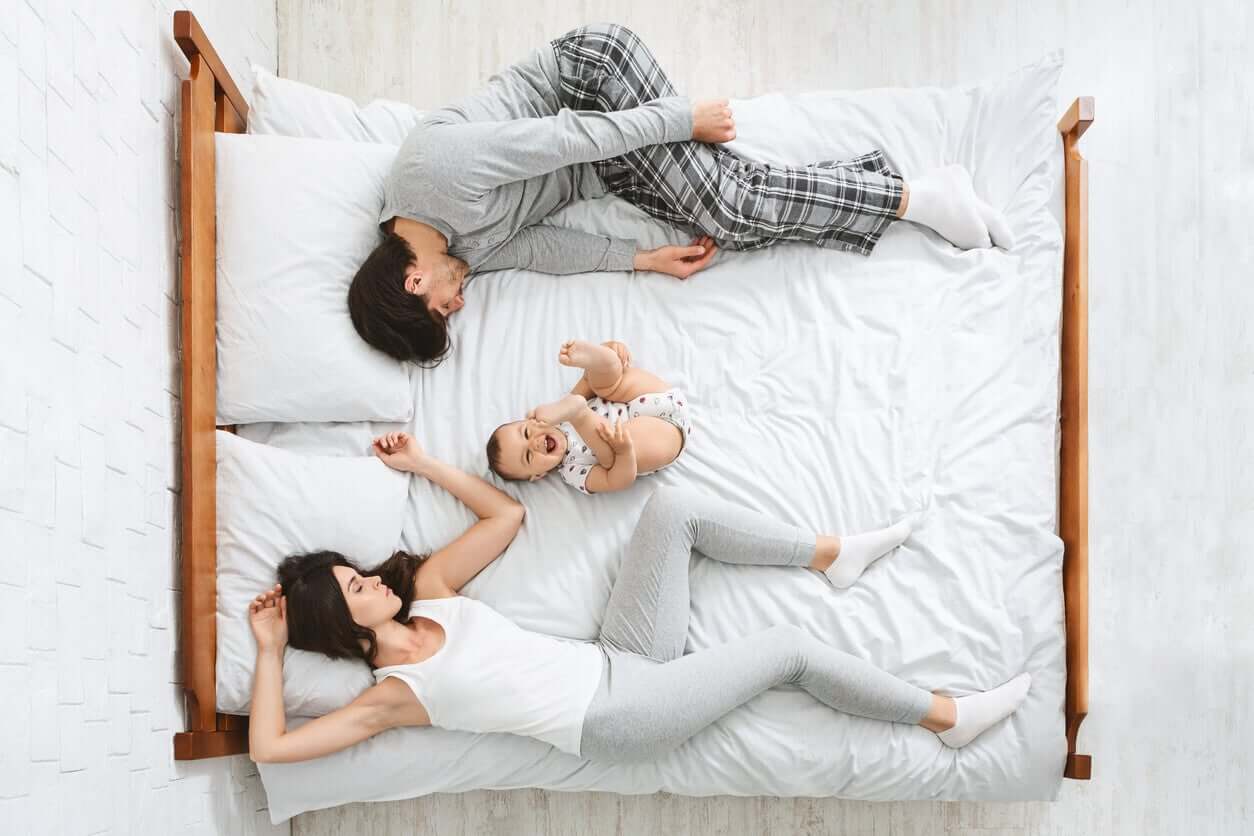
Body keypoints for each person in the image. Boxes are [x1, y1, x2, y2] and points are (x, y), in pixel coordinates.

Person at [244, 432, 1031, 764]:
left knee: (672, 510)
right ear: (346, 628)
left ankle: (831, 556)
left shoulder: (432, 595)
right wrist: (273, 653)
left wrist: (421, 464)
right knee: (788, 651)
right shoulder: (393, 695)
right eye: (357, 588)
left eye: (360, 573)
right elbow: (272, 750)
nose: (374, 581)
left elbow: (508, 513)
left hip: (617, 657)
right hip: (619, 717)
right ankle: (946, 717)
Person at [347, 24, 1014, 365]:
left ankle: (916, 198)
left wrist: (680, 118)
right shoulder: (458, 254)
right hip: (603, 164)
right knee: (735, 223)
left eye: (441, 310)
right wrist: (643, 261)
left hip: (592, 84)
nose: (457, 304)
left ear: (411, 282)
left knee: (729, 202)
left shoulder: (430, 173)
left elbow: (565, 138)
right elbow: (543, 247)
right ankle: (904, 191)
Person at [486, 339, 692, 494]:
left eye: (527, 432)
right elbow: (617, 481)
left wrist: (608, 353)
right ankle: (584, 416)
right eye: (529, 456)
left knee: (604, 385)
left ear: (533, 421)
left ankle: (606, 359)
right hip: (662, 438)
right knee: (611, 455)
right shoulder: (573, 470)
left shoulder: (558, 413)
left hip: (652, 398)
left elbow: (589, 380)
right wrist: (624, 452)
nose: (535, 443)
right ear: (538, 476)